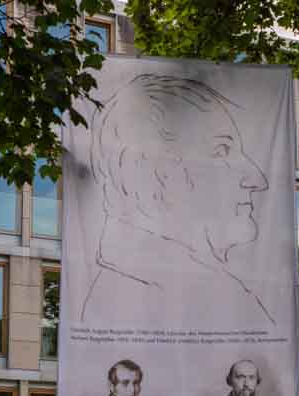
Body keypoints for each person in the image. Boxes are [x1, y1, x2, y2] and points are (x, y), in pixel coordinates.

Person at [80, 73, 275, 323]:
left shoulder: (208, 293)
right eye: (221, 150)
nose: (257, 179)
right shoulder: (140, 297)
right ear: (158, 170)